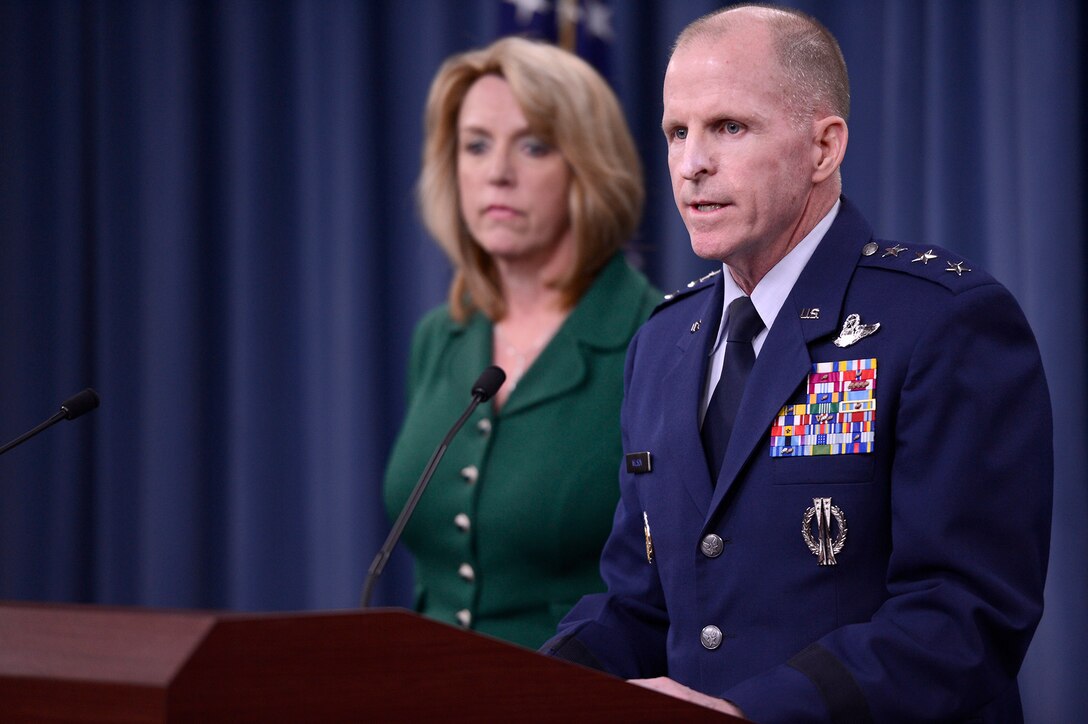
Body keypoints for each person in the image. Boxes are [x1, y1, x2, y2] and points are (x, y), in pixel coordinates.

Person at [543, 4, 1053, 722]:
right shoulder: (662, 342)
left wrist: (750, 713)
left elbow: (964, 615)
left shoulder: (942, 322)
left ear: (823, 148)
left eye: (729, 127)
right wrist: (524, 687)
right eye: (677, 132)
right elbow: (640, 604)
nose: (691, 164)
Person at [382, 36, 661, 650]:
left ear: (588, 167)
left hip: (575, 689)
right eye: (476, 145)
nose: (497, 173)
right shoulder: (441, 336)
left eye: (532, 146)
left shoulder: (658, 339)